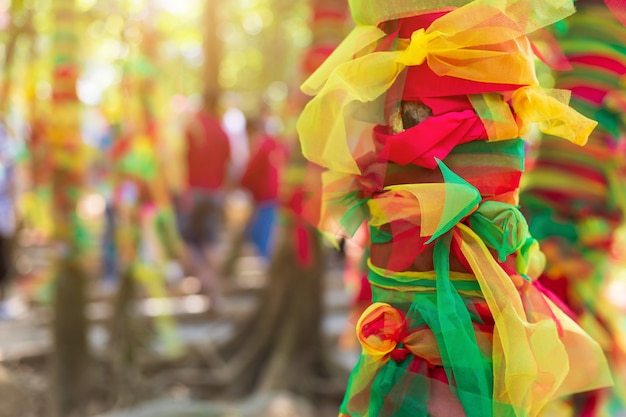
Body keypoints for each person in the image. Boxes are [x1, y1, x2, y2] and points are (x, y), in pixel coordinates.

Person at [180, 91, 231, 309]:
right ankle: (213, 288)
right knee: (209, 241)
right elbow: (229, 163)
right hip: (214, 192)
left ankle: (206, 281)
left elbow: (179, 159)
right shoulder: (221, 130)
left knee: (189, 241)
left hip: (193, 191)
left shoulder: (193, 127)